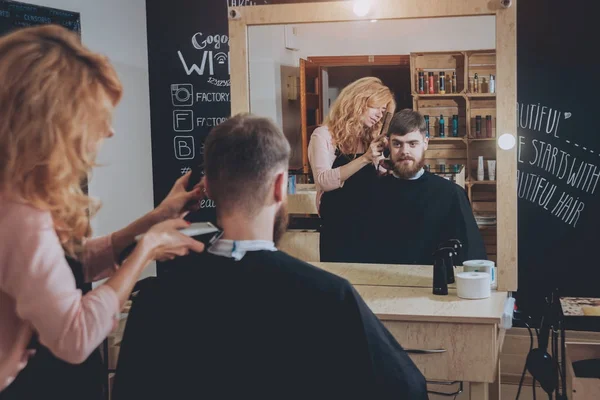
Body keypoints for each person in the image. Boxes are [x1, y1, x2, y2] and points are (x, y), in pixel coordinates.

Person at [112, 114, 429, 400]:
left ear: (207, 187)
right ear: (280, 187)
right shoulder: (330, 297)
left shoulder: (155, 300)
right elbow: (408, 390)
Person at [0, 25, 205, 398]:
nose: (109, 132)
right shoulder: (20, 213)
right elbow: (75, 336)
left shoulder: (17, 192)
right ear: (52, 120)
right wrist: (145, 252)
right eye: (95, 115)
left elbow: (62, 266)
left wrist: (152, 220)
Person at [372, 109, 487, 265]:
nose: (404, 151)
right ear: (388, 146)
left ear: (425, 143)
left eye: (412, 143)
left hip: (435, 285)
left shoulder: (451, 195)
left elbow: (471, 255)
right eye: (397, 144)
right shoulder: (374, 193)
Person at [308, 77, 395, 262]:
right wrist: (365, 158)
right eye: (376, 107)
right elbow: (323, 180)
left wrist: (386, 164)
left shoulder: (369, 137)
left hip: (372, 223)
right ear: (358, 101)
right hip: (339, 226)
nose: (380, 115)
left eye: (383, 111)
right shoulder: (324, 135)